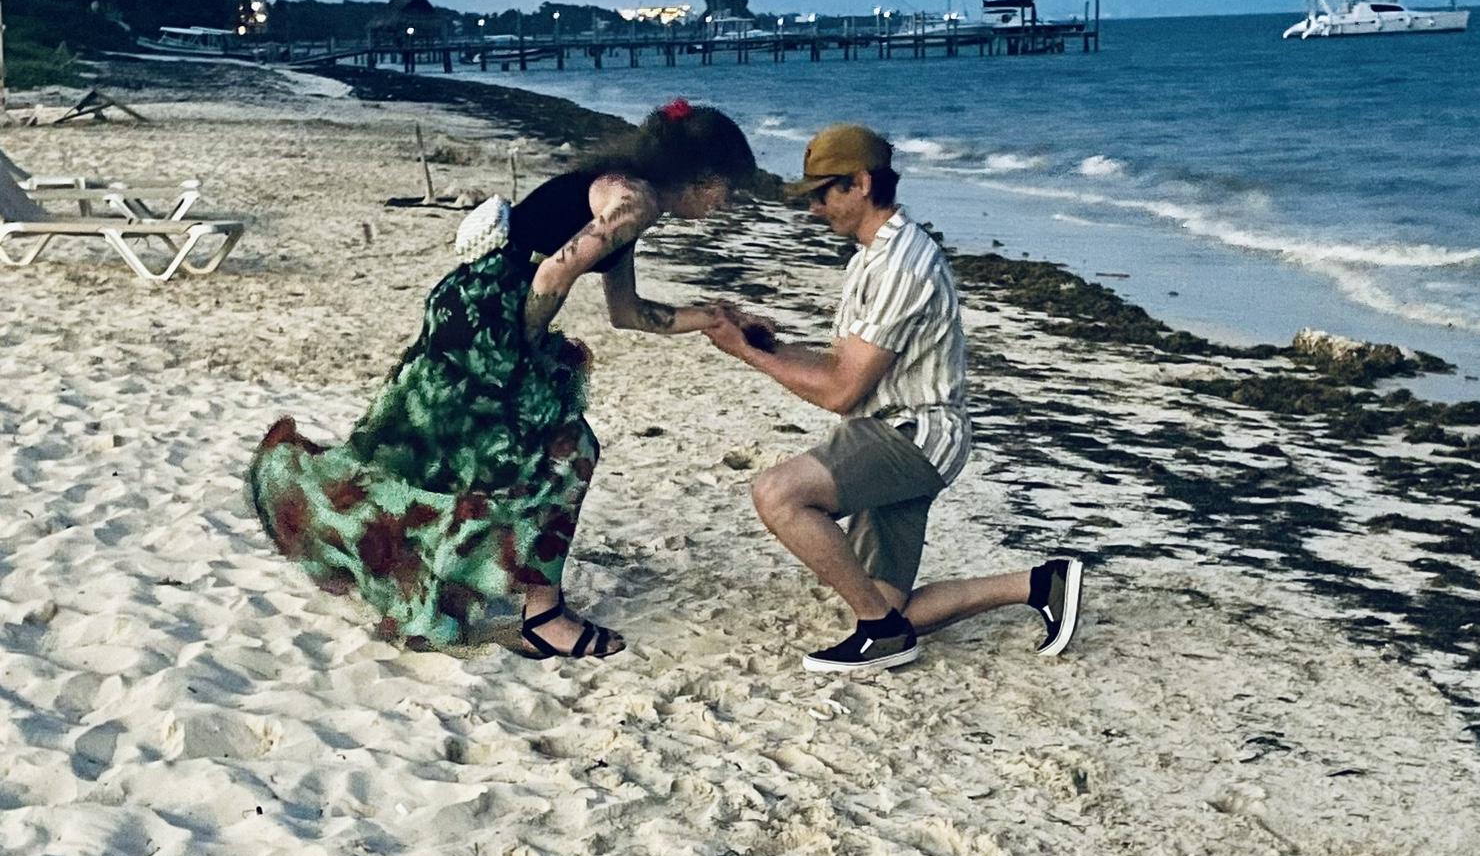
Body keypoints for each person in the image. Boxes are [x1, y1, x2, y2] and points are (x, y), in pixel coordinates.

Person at [249, 100, 758, 662]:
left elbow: (627, 313)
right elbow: (554, 272)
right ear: (702, 176)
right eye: (727, 190)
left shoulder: (625, 192)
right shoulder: (634, 201)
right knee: (567, 453)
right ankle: (543, 616)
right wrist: (525, 350)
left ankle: (408, 558)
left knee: (445, 450)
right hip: (492, 322)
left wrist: (713, 318)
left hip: (472, 306)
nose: (725, 204)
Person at [702, 122, 1082, 674]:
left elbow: (841, 392)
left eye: (821, 194)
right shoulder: (872, 257)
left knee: (779, 494)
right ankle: (1040, 584)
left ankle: (879, 636)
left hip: (914, 435)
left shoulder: (903, 265)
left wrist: (745, 354)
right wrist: (768, 343)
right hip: (889, 430)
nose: (813, 209)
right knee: (888, 605)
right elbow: (843, 366)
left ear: (860, 184)